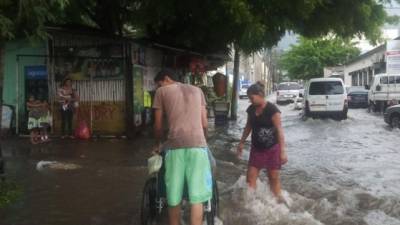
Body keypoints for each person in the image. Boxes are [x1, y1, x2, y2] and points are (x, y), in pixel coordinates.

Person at [152, 69, 212, 225]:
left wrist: (158, 144)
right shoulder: (198, 91)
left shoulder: (161, 92)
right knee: (197, 198)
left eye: (159, 83)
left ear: (166, 79)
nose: (159, 86)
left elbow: (158, 126)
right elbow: (205, 123)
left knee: (173, 197)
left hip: (175, 147)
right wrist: (203, 141)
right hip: (198, 147)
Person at [237, 82, 288, 203]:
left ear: (260, 94)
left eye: (252, 98)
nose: (250, 101)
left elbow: (280, 131)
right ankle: (251, 205)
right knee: (250, 178)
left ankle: (279, 203)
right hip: (256, 149)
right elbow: (248, 126)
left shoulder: (272, 110)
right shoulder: (251, 109)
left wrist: (283, 152)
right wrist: (241, 142)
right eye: (249, 98)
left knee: (273, 178)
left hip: (272, 150)